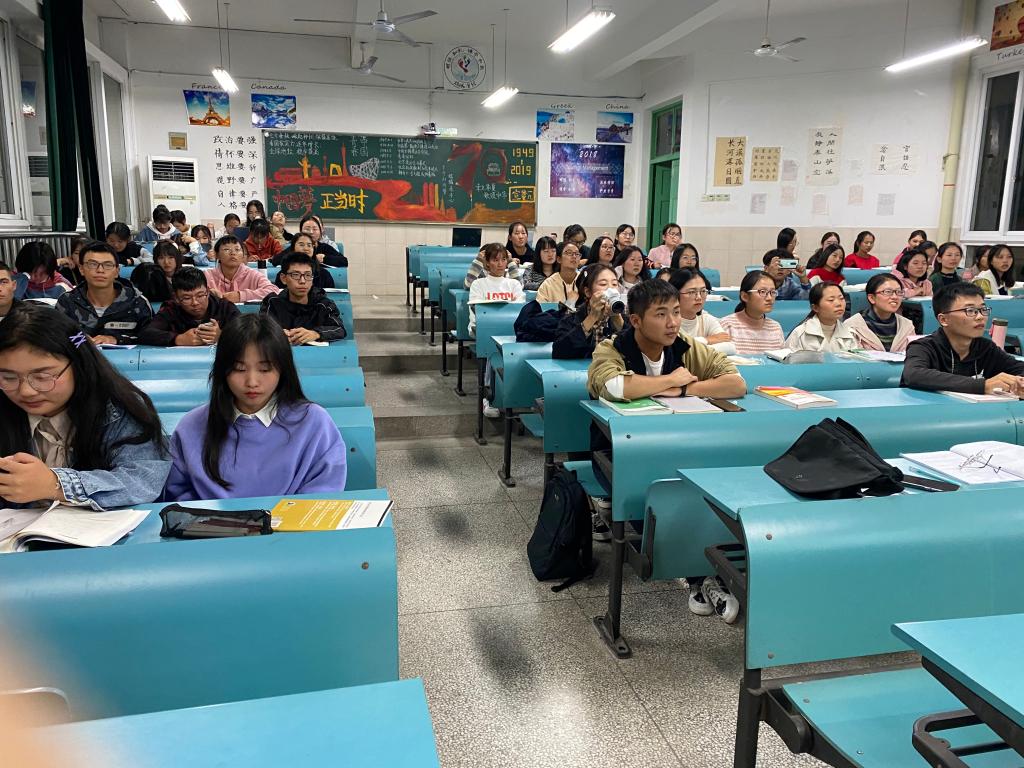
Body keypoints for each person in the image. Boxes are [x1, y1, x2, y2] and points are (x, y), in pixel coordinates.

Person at [0, 304, 170, 509]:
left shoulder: (117, 409)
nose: (26, 391)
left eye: (42, 376)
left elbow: (143, 479)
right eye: (8, 377)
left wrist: (56, 484)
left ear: (78, 365)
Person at [163, 314, 347, 501]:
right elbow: (178, 494)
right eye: (239, 369)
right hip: (210, 521)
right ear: (222, 370)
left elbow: (324, 492)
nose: (252, 382)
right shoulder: (192, 425)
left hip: (294, 520)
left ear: (283, 369)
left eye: (265, 369)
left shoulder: (314, 421)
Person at [901, 282, 1024, 394]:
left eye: (983, 309)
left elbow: (1019, 368)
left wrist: (1019, 383)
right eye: (970, 310)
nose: (980, 317)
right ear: (944, 319)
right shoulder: (924, 347)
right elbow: (914, 374)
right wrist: (983, 386)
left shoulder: (986, 347)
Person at [56, 242, 152, 345]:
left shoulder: (137, 302)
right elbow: (56, 337)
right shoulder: (67, 302)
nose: (100, 270)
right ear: (81, 269)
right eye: (93, 264)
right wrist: (82, 341)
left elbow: (150, 337)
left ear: (117, 271)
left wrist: (116, 339)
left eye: (108, 265)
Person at [138, 267, 239, 347]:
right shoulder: (170, 309)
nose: (195, 302)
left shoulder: (224, 307)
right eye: (187, 298)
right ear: (176, 298)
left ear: (208, 292)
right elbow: (146, 333)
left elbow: (245, 333)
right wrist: (178, 339)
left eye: (200, 295)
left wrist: (221, 336)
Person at [260, 252, 346, 345]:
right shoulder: (273, 302)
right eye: (296, 275)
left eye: (308, 275)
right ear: (283, 278)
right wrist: (277, 334)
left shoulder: (323, 304)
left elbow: (339, 329)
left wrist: (316, 333)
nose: (302, 281)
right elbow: (261, 330)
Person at [552, 264, 624, 359]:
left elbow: (636, 350)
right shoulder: (571, 319)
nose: (611, 289)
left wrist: (617, 319)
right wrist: (592, 317)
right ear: (588, 292)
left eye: (614, 284)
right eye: (603, 284)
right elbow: (559, 352)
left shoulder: (625, 318)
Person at [668, 268, 735, 353]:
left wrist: (697, 347)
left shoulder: (707, 320)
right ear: (675, 293)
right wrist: (707, 340)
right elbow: (675, 349)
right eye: (692, 292)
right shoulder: (668, 322)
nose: (699, 297)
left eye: (703, 291)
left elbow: (730, 347)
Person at [846, 273, 915, 353]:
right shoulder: (853, 326)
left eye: (899, 292)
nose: (895, 297)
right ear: (872, 298)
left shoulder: (907, 325)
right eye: (888, 292)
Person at [720, 271, 786, 353]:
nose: (769, 298)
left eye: (772, 292)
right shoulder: (727, 325)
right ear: (745, 296)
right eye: (762, 292)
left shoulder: (775, 327)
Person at [468, 244, 526, 334]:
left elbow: (519, 311)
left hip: (511, 327)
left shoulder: (514, 284)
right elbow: (476, 314)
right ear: (487, 262)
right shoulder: (478, 284)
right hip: (484, 327)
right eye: (495, 260)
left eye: (504, 259)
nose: (500, 264)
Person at [205, 235, 279, 304]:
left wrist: (240, 295)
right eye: (226, 249)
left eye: (237, 249)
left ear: (243, 254)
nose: (233, 253)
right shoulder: (207, 275)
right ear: (217, 255)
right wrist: (208, 293)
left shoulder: (252, 274)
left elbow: (273, 290)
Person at [785, 283, 857, 352]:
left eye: (841, 298)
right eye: (831, 300)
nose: (839, 304)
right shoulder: (799, 334)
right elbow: (789, 359)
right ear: (815, 307)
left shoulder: (850, 333)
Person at [281, 215, 346, 267]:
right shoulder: (295, 247)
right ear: (301, 231)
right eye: (307, 229)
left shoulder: (325, 247)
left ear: (320, 231)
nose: (311, 232)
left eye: (315, 229)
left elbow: (344, 261)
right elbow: (277, 260)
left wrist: (324, 259)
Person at [536, 241, 582, 305]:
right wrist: (569, 302)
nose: (574, 256)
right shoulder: (548, 284)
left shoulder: (585, 280)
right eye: (569, 253)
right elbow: (540, 309)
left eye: (577, 254)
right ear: (559, 259)